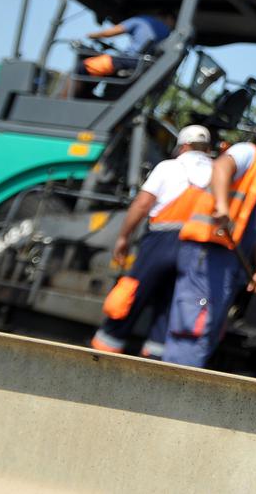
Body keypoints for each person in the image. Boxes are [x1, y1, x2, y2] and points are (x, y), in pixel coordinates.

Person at [163, 126, 256, 367]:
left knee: (210, 328)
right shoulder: (247, 153)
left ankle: (189, 381)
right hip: (208, 252)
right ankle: (172, 383)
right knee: (194, 324)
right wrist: (221, 205)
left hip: (227, 261)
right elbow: (221, 167)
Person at [91, 124, 213, 357]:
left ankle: (105, 347)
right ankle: (155, 360)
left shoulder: (169, 166)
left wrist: (123, 238)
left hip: (161, 240)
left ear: (183, 146)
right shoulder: (217, 172)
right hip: (197, 246)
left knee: (131, 294)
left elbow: (142, 204)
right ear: (207, 148)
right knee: (170, 304)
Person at [71, 10, 175, 99]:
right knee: (98, 72)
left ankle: (66, 101)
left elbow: (112, 32)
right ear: (169, 18)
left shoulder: (142, 20)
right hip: (142, 65)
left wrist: (91, 35)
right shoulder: (168, 33)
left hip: (129, 61)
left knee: (82, 67)